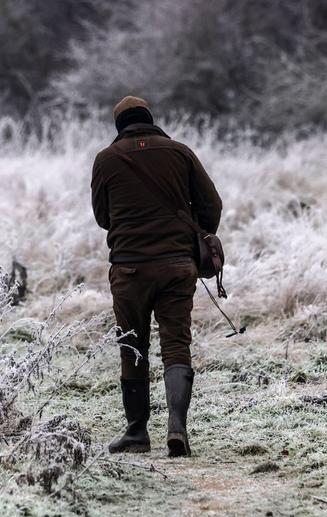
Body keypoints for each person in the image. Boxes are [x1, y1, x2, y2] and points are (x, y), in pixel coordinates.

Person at [90, 96, 222, 457]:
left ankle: (136, 433)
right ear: (149, 119)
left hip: (130, 268)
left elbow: (103, 217)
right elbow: (212, 205)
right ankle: (177, 429)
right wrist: (194, 238)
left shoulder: (106, 159)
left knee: (133, 347)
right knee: (176, 344)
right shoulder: (180, 152)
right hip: (177, 267)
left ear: (120, 126)